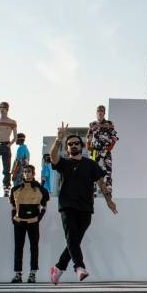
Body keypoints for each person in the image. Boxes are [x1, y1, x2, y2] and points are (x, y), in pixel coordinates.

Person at [49, 122, 118, 284]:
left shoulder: (90, 164)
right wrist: (59, 139)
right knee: (72, 238)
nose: (73, 146)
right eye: (70, 144)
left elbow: (101, 183)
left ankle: (58, 267)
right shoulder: (63, 163)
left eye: (76, 143)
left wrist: (109, 200)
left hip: (86, 208)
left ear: (81, 146)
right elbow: (53, 156)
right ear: (67, 148)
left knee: (74, 240)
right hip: (67, 206)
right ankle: (79, 267)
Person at [9, 165, 49, 283]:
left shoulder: (40, 190)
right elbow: (12, 205)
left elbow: (44, 206)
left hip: (33, 223)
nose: (27, 173)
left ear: (33, 173)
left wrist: (39, 218)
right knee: (18, 248)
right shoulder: (15, 189)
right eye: (25, 171)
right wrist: (13, 217)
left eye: (29, 171)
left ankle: (32, 274)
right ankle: (18, 274)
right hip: (19, 222)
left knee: (34, 247)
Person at [87, 105, 119, 195]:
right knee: (92, 169)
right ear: (96, 112)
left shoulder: (109, 123)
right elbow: (89, 137)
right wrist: (88, 146)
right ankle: (92, 189)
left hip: (105, 149)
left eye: (102, 111)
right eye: (98, 111)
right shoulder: (92, 124)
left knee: (108, 170)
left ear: (104, 113)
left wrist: (109, 148)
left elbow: (114, 138)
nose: (100, 112)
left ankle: (108, 189)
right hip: (94, 150)